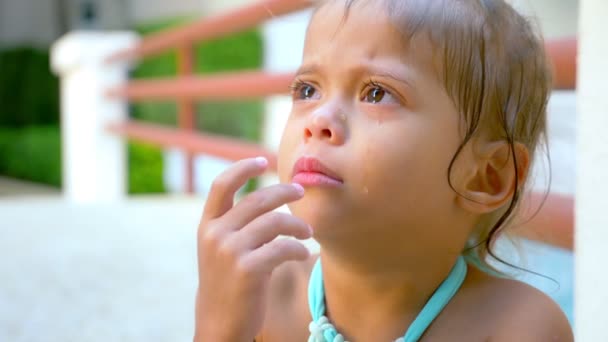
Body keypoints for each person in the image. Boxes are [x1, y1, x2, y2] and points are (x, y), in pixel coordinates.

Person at [193, 0, 574, 340]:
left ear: (485, 176)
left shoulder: (520, 327)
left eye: (377, 93)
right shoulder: (263, 295)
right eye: (308, 90)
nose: (318, 120)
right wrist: (217, 327)